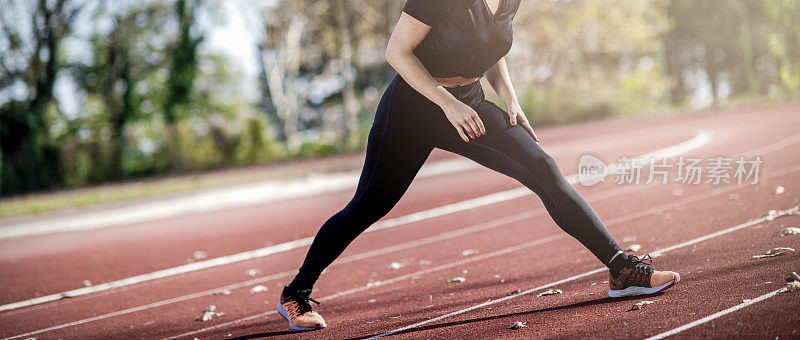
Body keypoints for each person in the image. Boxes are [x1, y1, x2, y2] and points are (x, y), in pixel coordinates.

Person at [276, 0, 680, 332]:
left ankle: (621, 270)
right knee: (368, 205)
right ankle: (296, 293)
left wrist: (510, 99)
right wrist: (446, 103)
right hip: (413, 109)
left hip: (469, 104)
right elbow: (397, 53)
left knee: (543, 168)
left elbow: (490, 52)